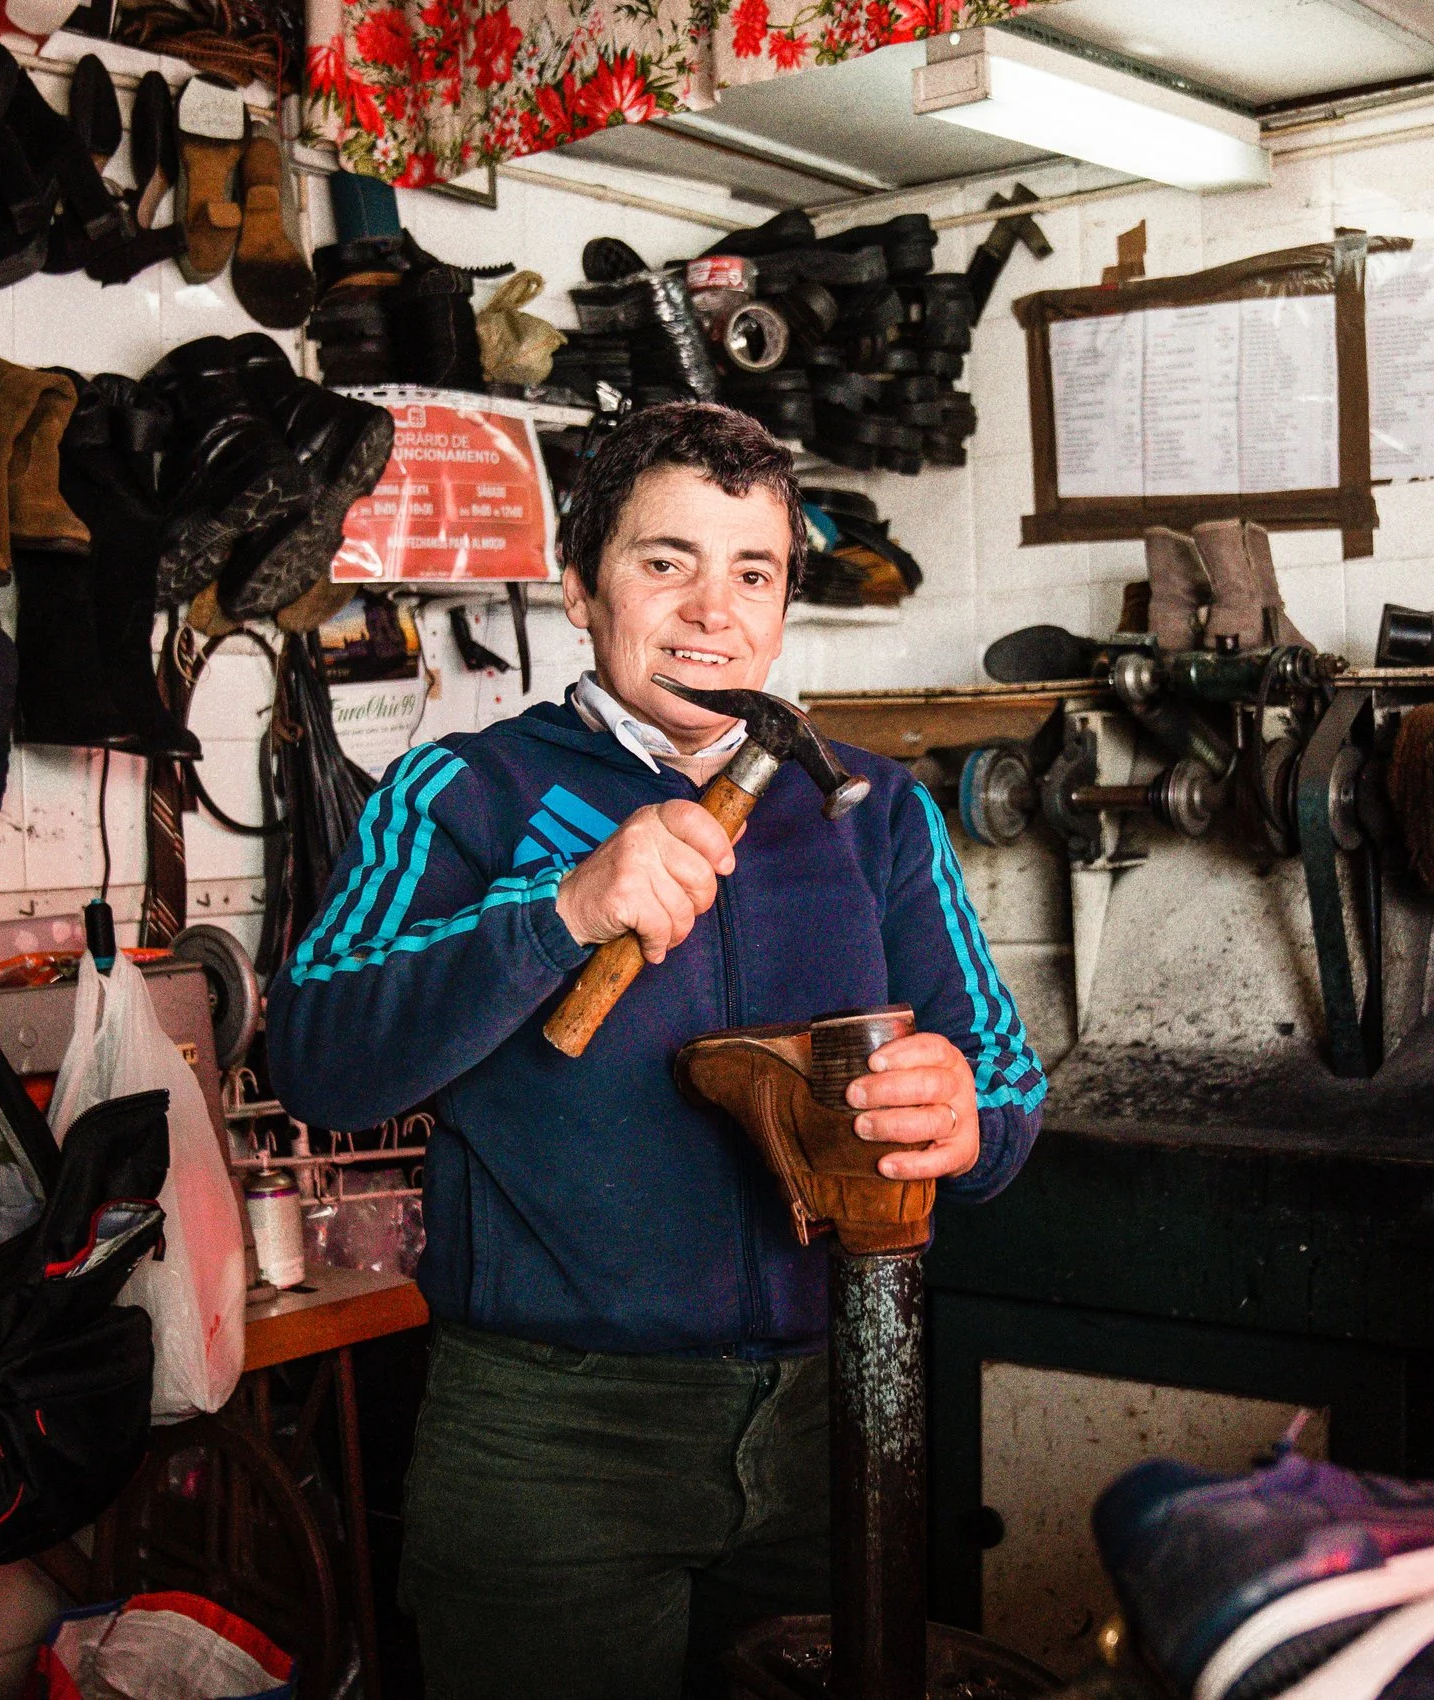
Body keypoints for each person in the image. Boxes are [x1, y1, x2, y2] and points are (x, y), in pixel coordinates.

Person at [266, 402, 1046, 1699]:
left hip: (834, 1415)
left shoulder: (876, 815)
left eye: (754, 574)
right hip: (550, 1442)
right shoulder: (465, 793)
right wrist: (559, 913)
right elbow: (319, 1059)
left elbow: (1004, 1087)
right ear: (578, 588)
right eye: (663, 562)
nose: (712, 613)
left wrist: (965, 1118)